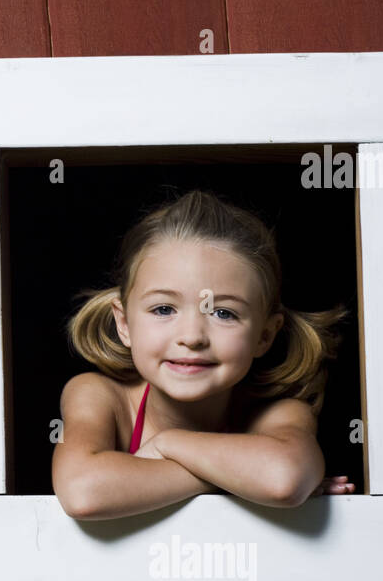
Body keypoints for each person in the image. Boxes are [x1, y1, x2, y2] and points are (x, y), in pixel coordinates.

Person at [52, 188, 353, 520]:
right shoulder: (99, 395)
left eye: (224, 313)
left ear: (265, 335)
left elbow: (284, 479)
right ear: (124, 323)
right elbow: (83, 492)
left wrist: (168, 444)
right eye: (164, 308)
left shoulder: (280, 413)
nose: (192, 337)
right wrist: (238, 479)